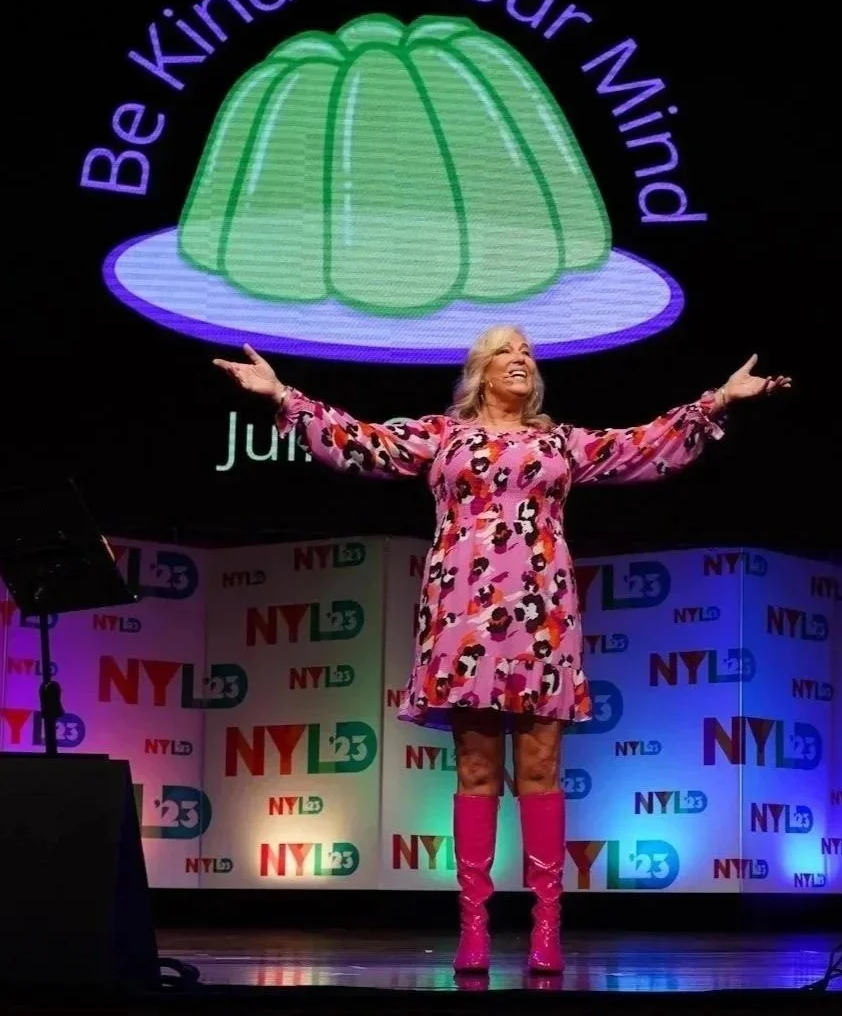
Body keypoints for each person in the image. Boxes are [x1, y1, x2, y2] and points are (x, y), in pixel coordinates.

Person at [213, 327, 791, 975]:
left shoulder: (558, 441)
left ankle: (546, 928)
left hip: (542, 612)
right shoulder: (443, 435)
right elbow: (363, 442)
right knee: (477, 769)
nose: (521, 359)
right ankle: (474, 928)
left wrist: (718, 400)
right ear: (481, 371)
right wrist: (283, 396)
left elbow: (641, 445)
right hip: (465, 613)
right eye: (506, 352)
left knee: (541, 766)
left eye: (528, 353)